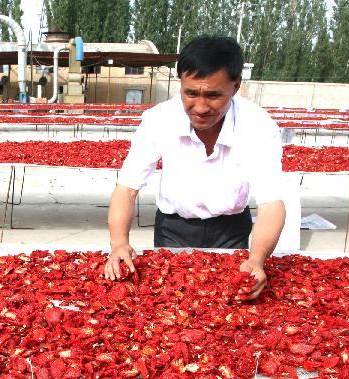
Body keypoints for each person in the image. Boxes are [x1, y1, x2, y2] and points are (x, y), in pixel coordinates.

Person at [104, 36, 286, 300]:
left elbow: (271, 202)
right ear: (181, 83)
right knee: (170, 303)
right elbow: (127, 188)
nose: (200, 107)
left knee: (231, 308)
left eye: (213, 95)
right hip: (174, 228)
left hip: (231, 229)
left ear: (235, 86)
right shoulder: (159, 120)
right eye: (191, 93)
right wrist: (119, 242)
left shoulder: (258, 126)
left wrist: (257, 259)